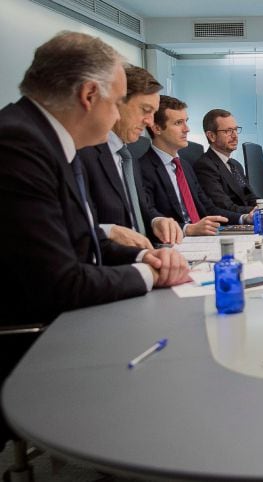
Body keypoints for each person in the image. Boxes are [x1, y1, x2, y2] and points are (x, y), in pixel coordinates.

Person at [0, 32, 189, 440]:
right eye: (119, 100)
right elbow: (60, 282)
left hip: (65, 315)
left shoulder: (52, 140)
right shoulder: (19, 145)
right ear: (90, 95)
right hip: (37, 338)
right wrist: (152, 277)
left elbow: (81, 238)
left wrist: (145, 259)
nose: (132, 117)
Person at [79, 65, 183, 248]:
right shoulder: (84, 152)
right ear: (117, 103)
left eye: (153, 113)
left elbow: (142, 208)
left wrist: (156, 221)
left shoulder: (128, 155)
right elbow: (78, 226)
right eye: (145, 110)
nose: (150, 122)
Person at [140, 96, 254, 235]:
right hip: (174, 243)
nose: (186, 129)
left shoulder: (185, 166)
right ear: (157, 128)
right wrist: (188, 229)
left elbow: (209, 208)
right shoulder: (143, 167)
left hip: (200, 238)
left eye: (186, 122)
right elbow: (148, 217)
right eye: (178, 123)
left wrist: (244, 218)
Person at [193, 108, 263, 214]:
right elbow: (224, 206)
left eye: (236, 129)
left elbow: (249, 196)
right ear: (211, 136)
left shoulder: (235, 165)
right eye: (228, 131)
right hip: (230, 223)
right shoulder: (205, 166)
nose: (235, 135)